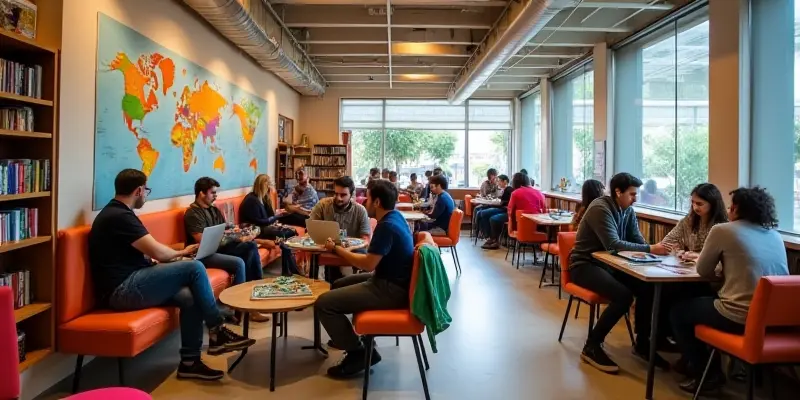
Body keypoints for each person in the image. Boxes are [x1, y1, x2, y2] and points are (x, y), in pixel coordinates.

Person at [90, 169, 254, 380]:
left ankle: (189, 362)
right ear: (139, 190)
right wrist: (181, 253)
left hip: (131, 278)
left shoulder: (117, 213)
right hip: (121, 290)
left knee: (189, 296)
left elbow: (144, 253)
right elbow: (157, 251)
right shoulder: (120, 216)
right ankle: (217, 330)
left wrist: (170, 257)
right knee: (194, 268)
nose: (146, 195)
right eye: (146, 190)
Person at [669, 187, 789, 394]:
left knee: (678, 313)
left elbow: (703, 270)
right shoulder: (775, 235)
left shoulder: (723, 230)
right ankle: (699, 365)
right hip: (775, 320)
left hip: (739, 316)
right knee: (699, 304)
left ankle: (707, 374)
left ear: (735, 208)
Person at [568, 172, 670, 374]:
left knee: (647, 286)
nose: (635, 198)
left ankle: (642, 342)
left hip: (609, 265)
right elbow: (613, 245)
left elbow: (638, 240)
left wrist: (657, 252)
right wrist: (651, 249)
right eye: (632, 194)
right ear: (618, 192)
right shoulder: (600, 208)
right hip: (584, 265)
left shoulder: (628, 211)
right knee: (623, 296)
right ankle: (592, 345)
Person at [315, 180, 415, 378]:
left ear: (377, 202)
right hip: (391, 281)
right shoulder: (395, 218)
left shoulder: (386, 226)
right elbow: (376, 257)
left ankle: (358, 352)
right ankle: (345, 336)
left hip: (390, 289)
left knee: (323, 304)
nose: (364, 201)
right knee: (337, 285)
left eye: (367, 198)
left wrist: (337, 249)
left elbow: (368, 264)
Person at [183, 177, 269, 322]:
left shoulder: (213, 209)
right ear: (201, 194)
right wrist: (235, 237)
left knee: (251, 247)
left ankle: (253, 298)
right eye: (213, 193)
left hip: (220, 248)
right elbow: (202, 240)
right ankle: (238, 308)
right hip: (203, 253)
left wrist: (244, 232)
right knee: (239, 262)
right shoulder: (192, 213)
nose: (216, 196)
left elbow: (228, 228)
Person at [309, 176, 371, 283]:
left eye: (343, 195)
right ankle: (314, 285)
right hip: (326, 246)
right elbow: (311, 228)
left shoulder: (360, 210)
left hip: (352, 248)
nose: (338, 198)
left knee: (363, 252)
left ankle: (358, 285)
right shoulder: (323, 205)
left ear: (351, 195)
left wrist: (348, 248)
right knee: (314, 252)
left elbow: (365, 239)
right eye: (336, 194)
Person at [238, 174, 302, 276]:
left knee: (289, 234)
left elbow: (270, 216)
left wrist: (268, 198)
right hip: (255, 230)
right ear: (261, 185)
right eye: (267, 186)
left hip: (262, 228)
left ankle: (289, 269)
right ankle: (289, 269)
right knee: (287, 234)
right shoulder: (251, 200)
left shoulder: (261, 198)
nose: (268, 188)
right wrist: (278, 216)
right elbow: (262, 221)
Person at [661, 183, 728, 254]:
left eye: (699, 204)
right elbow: (667, 242)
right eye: (693, 202)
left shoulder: (723, 227)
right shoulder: (688, 220)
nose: (695, 207)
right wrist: (679, 251)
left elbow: (721, 258)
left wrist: (696, 256)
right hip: (690, 263)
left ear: (713, 204)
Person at [480, 174, 512, 250]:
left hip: (504, 209)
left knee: (486, 214)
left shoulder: (509, 189)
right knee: (482, 212)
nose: (498, 183)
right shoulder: (503, 190)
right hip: (502, 207)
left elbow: (504, 203)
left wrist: (496, 204)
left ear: (505, 181)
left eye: (499, 181)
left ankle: (492, 238)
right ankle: (488, 236)